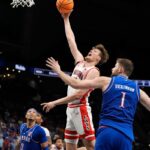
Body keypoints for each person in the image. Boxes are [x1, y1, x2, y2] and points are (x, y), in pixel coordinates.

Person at [43, 57, 150, 150]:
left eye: (115, 66)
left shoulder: (106, 81)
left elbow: (75, 84)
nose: (112, 68)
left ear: (120, 69)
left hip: (107, 130)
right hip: (126, 135)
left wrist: (58, 70)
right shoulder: (138, 89)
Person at [41, 12, 109, 150]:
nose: (91, 50)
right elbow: (70, 39)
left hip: (80, 109)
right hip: (70, 110)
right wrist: (66, 19)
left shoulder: (94, 72)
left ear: (99, 58)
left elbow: (78, 95)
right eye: (92, 49)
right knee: (70, 147)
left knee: (90, 145)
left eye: (95, 51)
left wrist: (55, 102)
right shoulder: (79, 61)